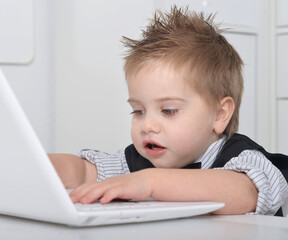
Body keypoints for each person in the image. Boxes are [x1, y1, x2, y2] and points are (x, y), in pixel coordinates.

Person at [49, 6, 288, 215]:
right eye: (139, 111)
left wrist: (149, 182)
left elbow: (244, 192)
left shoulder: (242, 159)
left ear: (220, 114)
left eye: (169, 111)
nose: (148, 125)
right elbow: (83, 171)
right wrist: (39, 166)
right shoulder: (137, 161)